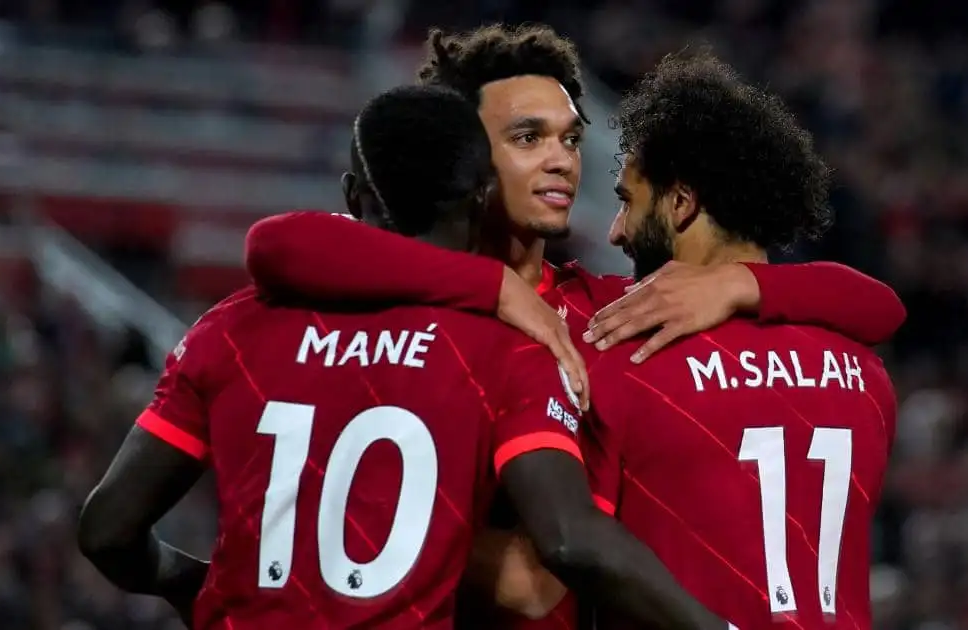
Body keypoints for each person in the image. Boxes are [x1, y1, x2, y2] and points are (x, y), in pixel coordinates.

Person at [243, 24, 905, 629]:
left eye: (570, 138)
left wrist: (744, 282)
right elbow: (276, 246)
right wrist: (491, 284)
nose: (563, 159)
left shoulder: (612, 316)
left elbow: (876, 307)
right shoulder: (388, 306)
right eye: (528, 138)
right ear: (466, 160)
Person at [76, 85, 727, 630]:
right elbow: (568, 542)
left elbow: (107, 529)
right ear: (481, 199)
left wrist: (192, 585)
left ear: (354, 195)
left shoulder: (235, 326)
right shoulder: (506, 347)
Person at [576, 48, 898, 629]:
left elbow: (579, 558)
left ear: (680, 203)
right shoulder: (866, 374)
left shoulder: (630, 360)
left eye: (627, 200)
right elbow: (884, 305)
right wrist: (745, 282)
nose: (615, 230)